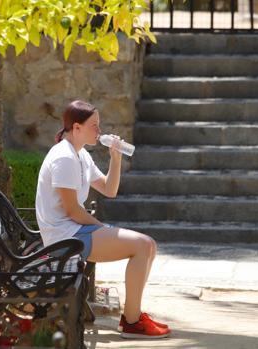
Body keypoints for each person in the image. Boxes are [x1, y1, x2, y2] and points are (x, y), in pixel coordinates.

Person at [35, 100, 171, 339]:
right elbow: (72, 211)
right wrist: (104, 227)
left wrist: (115, 158)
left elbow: (109, 190)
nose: (99, 131)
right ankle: (132, 321)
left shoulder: (81, 155)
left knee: (148, 245)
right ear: (76, 128)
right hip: (65, 238)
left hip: (76, 231)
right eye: (94, 125)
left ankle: (133, 318)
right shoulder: (64, 157)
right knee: (142, 245)